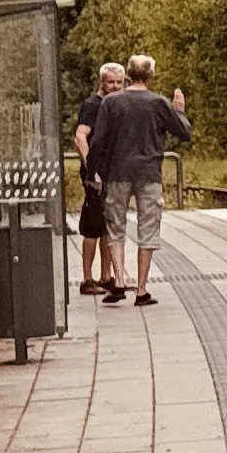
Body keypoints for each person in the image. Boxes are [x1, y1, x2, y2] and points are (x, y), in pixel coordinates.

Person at [85, 57, 191, 304]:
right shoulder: (159, 102)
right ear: (151, 74)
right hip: (148, 174)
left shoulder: (110, 102)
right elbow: (184, 133)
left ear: (129, 74)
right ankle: (141, 289)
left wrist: (92, 173)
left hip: (117, 173)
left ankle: (120, 281)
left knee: (115, 228)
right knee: (148, 228)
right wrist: (179, 111)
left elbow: (97, 141)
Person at [73, 61, 126, 296]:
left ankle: (107, 276)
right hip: (95, 175)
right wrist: (90, 167)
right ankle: (87, 279)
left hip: (111, 172)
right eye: (110, 82)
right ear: (101, 82)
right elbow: (80, 137)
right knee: (92, 226)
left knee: (107, 225)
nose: (115, 86)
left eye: (119, 82)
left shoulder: (114, 105)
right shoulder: (92, 105)